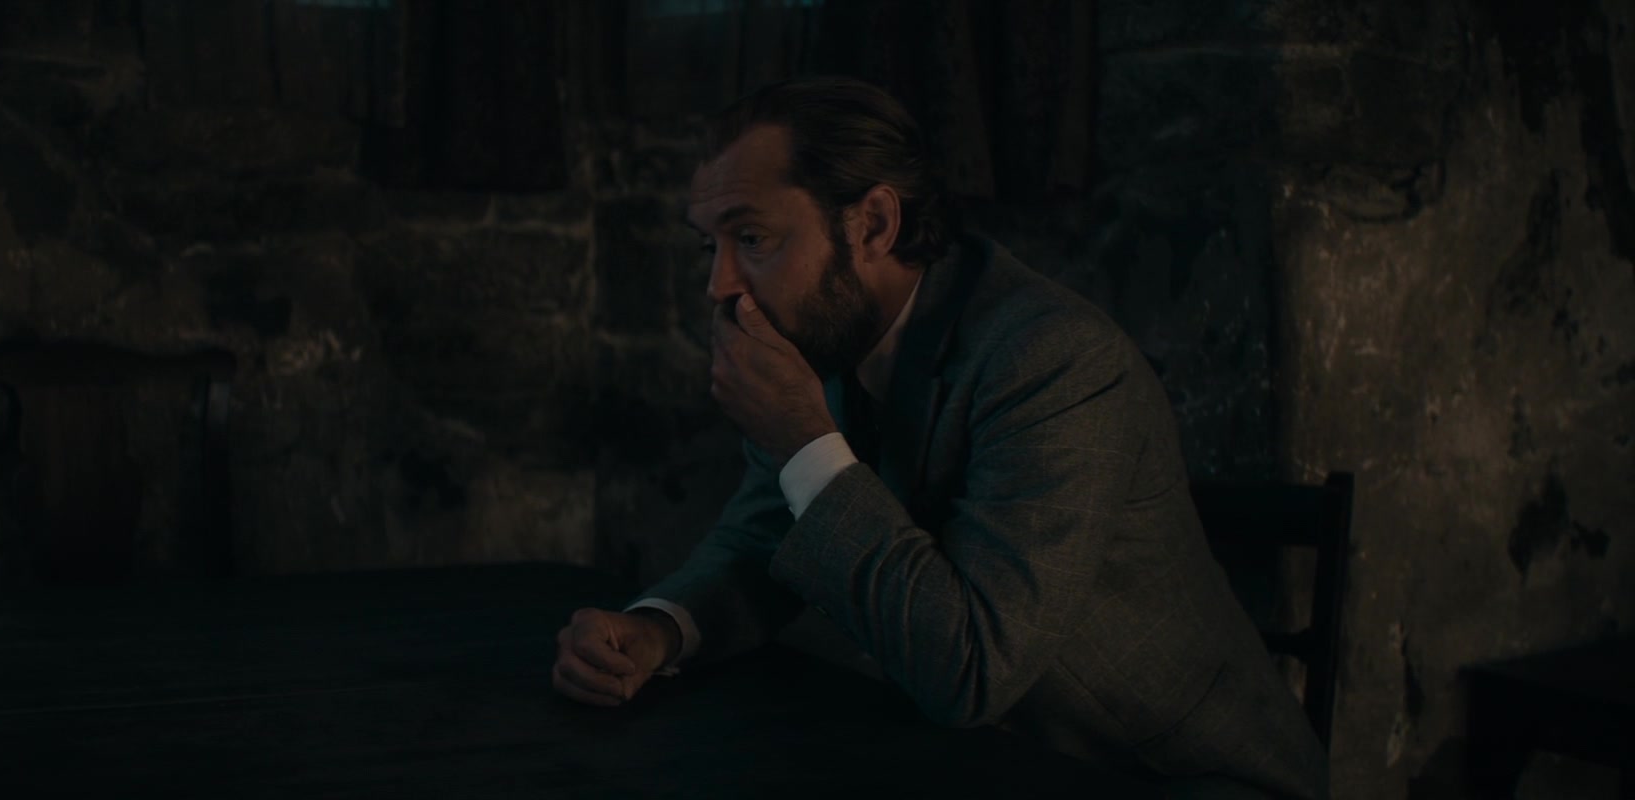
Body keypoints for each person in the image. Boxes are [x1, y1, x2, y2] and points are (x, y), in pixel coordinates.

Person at [551, 76, 1327, 799]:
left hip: (1168, 777)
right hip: (987, 762)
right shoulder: (828, 335)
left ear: (873, 224)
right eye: (709, 246)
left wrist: (803, 439)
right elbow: (761, 539)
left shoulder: (1054, 361)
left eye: (751, 238)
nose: (718, 285)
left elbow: (972, 671)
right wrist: (657, 630)